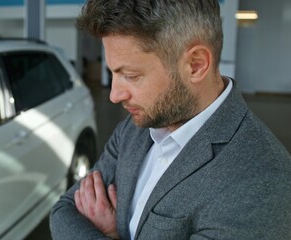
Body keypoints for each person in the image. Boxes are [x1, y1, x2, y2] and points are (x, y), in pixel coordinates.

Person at [50, 0, 291, 239]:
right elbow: (63, 212)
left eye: (131, 75)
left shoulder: (262, 181)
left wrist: (115, 234)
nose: (114, 95)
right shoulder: (136, 127)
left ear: (196, 65)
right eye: (112, 73)